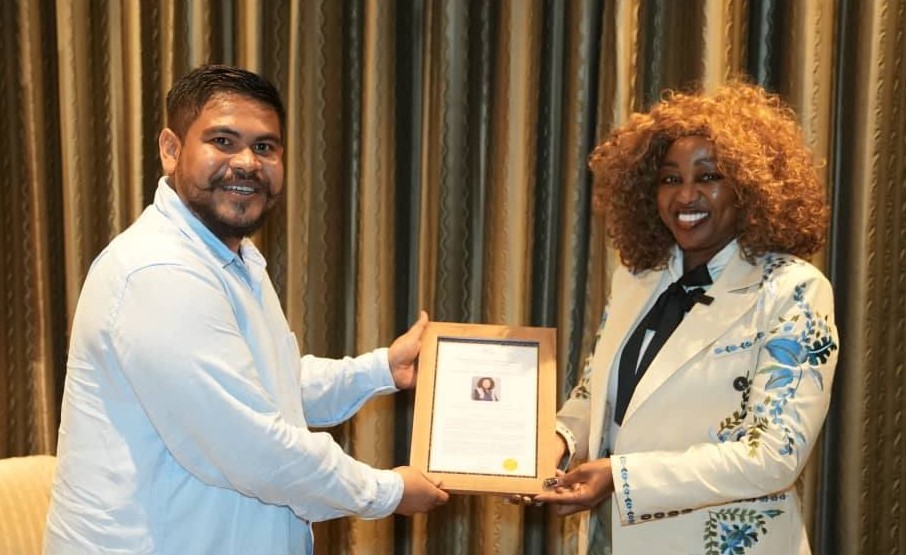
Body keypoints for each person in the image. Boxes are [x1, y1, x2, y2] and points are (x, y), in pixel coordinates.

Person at [43, 65, 449, 555]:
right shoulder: (159, 272)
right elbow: (256, 449)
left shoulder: (233, 256)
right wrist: (388, 492)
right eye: (223, 141)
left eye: (264, 147)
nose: (247, 163)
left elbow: (270, 387)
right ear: (171, 149)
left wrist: (382, 370)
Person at [535, 82, 838, 555]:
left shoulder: (792, 289)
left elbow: (774, 455)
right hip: (612, 541)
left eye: (709, 176)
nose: (686, 195)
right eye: (670, 179)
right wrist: (553, 444)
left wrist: (620, 477)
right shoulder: (635, 280)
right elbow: (596, 395)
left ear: (750, 187)